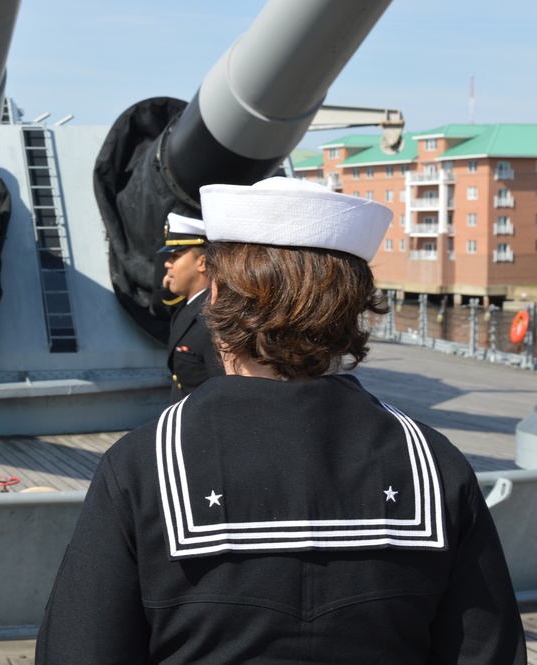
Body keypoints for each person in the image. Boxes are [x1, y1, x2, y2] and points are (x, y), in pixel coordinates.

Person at [36, 177, 526, 664]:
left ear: (216, 296)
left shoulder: (143, 467)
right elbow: (489, 650)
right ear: (352, 307)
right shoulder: (434, 465)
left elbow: (79, 649)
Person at [158, 212, 225, 402]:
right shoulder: (190, 306)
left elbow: (220, 392)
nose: (167, 263)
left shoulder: (213, 320)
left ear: (202, 263)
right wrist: (167, 291)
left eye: (175, 255)